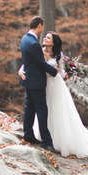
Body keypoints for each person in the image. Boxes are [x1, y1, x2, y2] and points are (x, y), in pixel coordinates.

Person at [19, 31, 88, 158]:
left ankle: (57, 140)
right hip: (42, 84)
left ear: (54, 42)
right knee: (44, 110)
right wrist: (21, 72)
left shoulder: (58, 55)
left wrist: (62, 72)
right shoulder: (38, 50)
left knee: (57, 110)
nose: (45, 39)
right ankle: (43, 136)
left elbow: (61, 72)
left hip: (55, 85)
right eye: (45, 36)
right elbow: (27, 64)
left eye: (48, 38)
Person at [20, 16, 58, 153]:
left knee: (29, 109)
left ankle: (28, 135)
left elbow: (28, 61)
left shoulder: (25, 39)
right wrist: (54, 71)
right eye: (42, 27)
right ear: (40, 26)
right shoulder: (34, 43)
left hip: (29, 81)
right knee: (42, 111)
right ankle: (47, 142)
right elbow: (40, 63)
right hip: (36, 82)